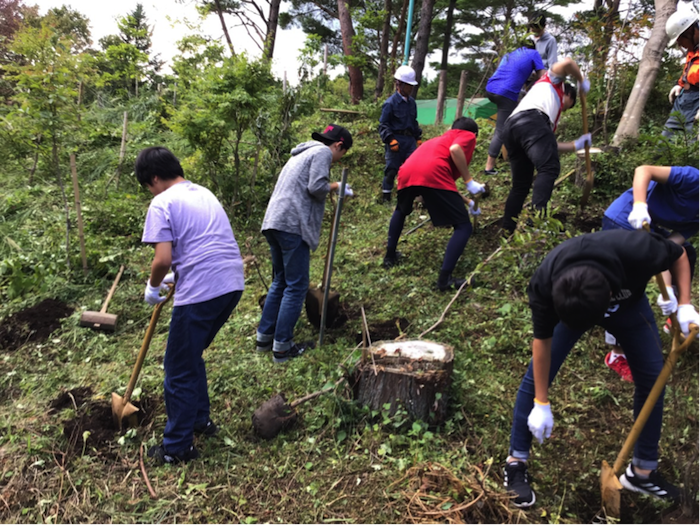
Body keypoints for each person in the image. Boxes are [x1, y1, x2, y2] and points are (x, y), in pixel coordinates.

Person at [504, 229, 700, 508]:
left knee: (652, 377)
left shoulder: (638, 249)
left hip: (629, 307)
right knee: (536, 376)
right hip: (575, 307)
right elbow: (542, 345)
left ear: (610, 293)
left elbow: (679, 254)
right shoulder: (545, 283)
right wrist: (541, 401)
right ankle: (516, 462)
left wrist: (684, 304)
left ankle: (642, 472)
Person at [137, 146, 245, 465]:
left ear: (154, 178)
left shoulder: (161, 202)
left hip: (202, 289)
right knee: (190, 354)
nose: (150, 191)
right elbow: (202, 242)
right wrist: (175, 274)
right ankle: (199, 419)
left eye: (148, 185)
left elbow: (162, 258)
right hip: (231, 282)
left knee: (178, 368)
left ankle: (178, 447)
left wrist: (153, 285)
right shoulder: (203, 192)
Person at [256, 124, 353, 363]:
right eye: (342, 155)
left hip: (274, 222)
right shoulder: (321, 152)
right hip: (292, 224)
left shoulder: (300, 154)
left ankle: (264, 338)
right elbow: (316, 187)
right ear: (339, 145)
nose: (337, 160)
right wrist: (337, 186)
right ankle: (282, 348)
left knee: (280, 281)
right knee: (297, 286)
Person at [600, 165, 700, 381]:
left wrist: (678, 299)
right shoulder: (692, 178)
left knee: (688, 253)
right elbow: (643, 170)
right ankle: (617, 352)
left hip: (652, 232)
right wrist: (639, 205)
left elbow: (670, 248)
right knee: (626, 283)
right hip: (625, 219)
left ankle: (679, 315)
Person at [382, 117, 485, 291]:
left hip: (407, 172)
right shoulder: (466, 135)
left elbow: (443, 185)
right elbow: (455, 149)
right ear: (473, 134)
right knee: (463, 226)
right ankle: (444, 280)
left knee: (401, 211)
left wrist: (468, 202)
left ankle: (389, 257)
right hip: (433, 173)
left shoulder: (437, 141)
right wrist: (469, 181)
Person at [500, 58, 592, 234]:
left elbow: (546, 145)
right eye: (567, 106)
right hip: (531, 121)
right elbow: (567, 63)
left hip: (512, 128)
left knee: (521, 185)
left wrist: (576, 145)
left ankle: (507, 228)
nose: (563, 109)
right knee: (549, 168)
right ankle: (536, 222)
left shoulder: (547, 113)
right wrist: (581, 79)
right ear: (568, 95)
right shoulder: (554, 82)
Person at [483, 40, 546, 175]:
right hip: (506, 93)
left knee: (509, 121)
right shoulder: (534, 53)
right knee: (502, 130)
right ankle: (489, 167)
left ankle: (510, 155)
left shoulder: (510, 54)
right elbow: (542, 76)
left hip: (491, 89)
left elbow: (514, 72)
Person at [378, 65, 422, 203]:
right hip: (395, 140)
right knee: (391, 170)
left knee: (413, 167)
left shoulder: (412, 103)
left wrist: (418, 137)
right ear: (400, 84)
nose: (411, 88)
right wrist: (390, 139)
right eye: (409, 85)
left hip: (409, 140)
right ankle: (386, 196)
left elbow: (413, 122)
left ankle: (410, 195)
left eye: (412, 86)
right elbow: (383, 124)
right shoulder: (390, 103)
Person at [663, 3, 700, 141]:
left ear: (691, 31)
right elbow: (690, 71)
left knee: (693, 149)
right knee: (663, 147)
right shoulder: (693, 50)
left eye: (680, 39)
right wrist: (679, 84)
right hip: (683, 101)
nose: (679, 45)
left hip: (698, 104)